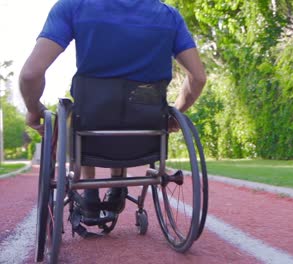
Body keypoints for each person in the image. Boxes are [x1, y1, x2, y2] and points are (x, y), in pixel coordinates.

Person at [19, 0, 206, 219]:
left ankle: (89, 194)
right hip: (145, 132)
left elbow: (30, 74)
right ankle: (118, 190)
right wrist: (175, 115)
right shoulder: (169, 16)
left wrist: (34, 108)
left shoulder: (72, 7)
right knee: (127, 105)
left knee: (85, 111)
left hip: (91, 125)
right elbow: (198, 78)